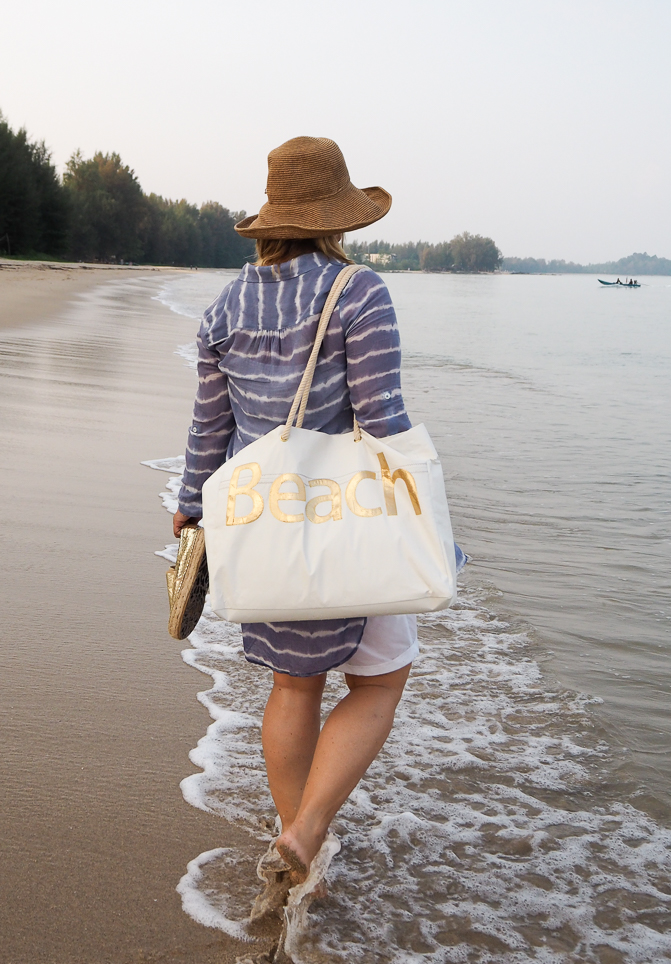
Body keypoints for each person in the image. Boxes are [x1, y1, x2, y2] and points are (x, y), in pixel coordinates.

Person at [173, 137, 438, 894]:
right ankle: (309, 828)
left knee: (293, 687)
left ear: (272, 217)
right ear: (338, 217)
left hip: (262, 527)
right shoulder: (359, 292)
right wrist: (425, 512)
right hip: (350, 524)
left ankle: (300, 860)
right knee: (381, 682)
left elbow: (208, 428)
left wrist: (192, 508)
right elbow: (381, 416)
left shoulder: (224, 305)